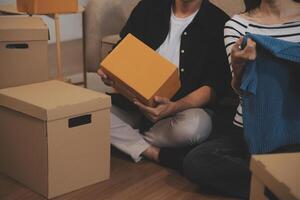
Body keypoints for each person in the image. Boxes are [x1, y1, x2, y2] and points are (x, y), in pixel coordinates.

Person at [182, 0, 300, 199]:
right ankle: (285, 183)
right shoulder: (237, 25)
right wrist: (238, 69)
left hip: (293, 124)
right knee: (196, 161)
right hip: (251, 128)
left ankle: (277, 182)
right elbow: (241, 90)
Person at [97, 0, 230, 163]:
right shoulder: (149, 7)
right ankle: (152, 152)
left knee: (197, 126)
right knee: (89, 113)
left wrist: (175, 106)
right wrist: (111, 73)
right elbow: (123, 48)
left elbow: (215, 86)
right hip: (133, 104)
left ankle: (124, 137)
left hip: (180, 113)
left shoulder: (218, 22)